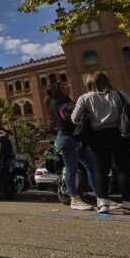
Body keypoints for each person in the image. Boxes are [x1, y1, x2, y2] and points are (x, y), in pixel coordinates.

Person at [71, 71, 130, 215]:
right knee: (124, 169)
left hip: (97, 136)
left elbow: (74, 119)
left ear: (88, 83)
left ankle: (103, 204)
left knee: (100, 170)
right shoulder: (117, 94)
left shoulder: (84, 98)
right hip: (119, 134)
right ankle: (129, 204)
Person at [46, 81, 98, 210]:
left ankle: (100, 197)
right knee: (71, 169)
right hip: (66, 139)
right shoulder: (59, 104)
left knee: (91, 166)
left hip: (73, 139)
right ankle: (74, 199)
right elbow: (70, 116)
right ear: (57, 91)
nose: (67, 87)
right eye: (63, 87)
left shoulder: (62, 102)